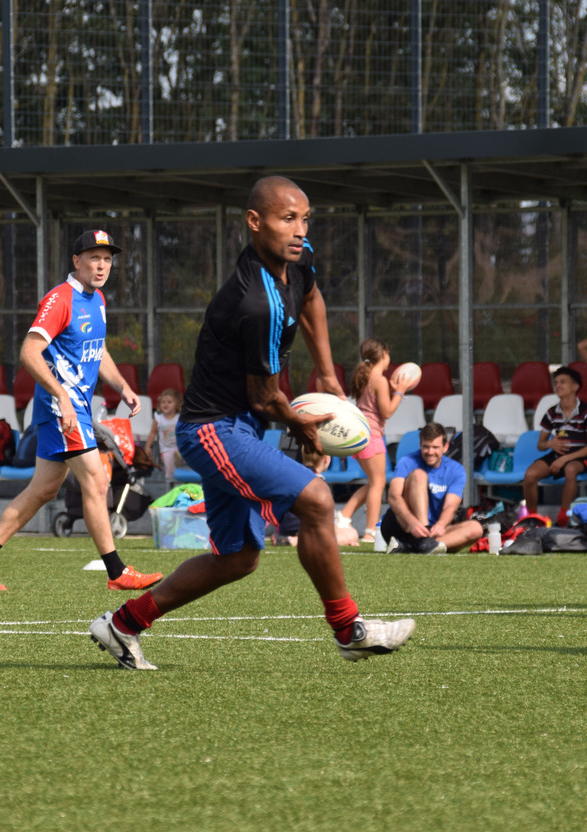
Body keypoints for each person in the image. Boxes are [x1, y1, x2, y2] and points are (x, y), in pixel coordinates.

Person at [89, 176, 415, 670]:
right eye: (288, 219)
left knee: (238, 558)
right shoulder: (254, 302)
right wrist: (305, 428)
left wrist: (326, 371)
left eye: (305, 219)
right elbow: (265, 398)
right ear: (254, 222)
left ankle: (123, 624)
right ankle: (350, 629)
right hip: (212, 430)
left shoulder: (296, 260)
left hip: (237, 427)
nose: (300, 230)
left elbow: (311, 300)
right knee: (317, 499)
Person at [0, 230, 162, 592]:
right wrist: (63, 397)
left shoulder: (97, 299)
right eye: (94, 257)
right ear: (76, 261)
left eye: (107, 259)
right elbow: (29, 353)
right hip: (60, 408)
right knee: (97, 480)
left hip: (75, 407)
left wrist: (124, 386)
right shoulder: (60, 299)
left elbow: (97, 351)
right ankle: (116, 572)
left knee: (42, 490)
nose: (102, 265)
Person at [338, 337, 413, 543]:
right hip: (372, 435)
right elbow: (387, 411)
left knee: (375, 482)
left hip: (362, 433)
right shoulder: (378, 379)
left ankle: (344, 515)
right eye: (388, 354)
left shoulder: (367, 376)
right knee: (378, 482)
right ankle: (371, 531)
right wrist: (400, 391)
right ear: (383, 355)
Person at [382, 422, 484, 555]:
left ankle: (418, 547)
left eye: (435, 447)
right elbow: (393, 496)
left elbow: (451, 507)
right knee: (419, 475)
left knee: (476, 529)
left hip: (432, 532)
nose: (430, 452)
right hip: (402, 525)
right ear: (420, 445)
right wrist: (413, 523)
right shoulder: (407, 461)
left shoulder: (456, 470)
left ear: (445, 447)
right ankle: (423, 541)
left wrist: (441, 525)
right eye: (426, 447)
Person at [523, 366, 587, 527]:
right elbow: (541, 445)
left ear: (575, 387)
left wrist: (565, 458)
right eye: (556, 382)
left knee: (570, 469)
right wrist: (551, 443)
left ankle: (563, 517)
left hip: (580, 457)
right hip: (557, 456)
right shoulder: (551, 412)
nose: (558, 385)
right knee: (530, 475)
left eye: (563, 382)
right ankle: (534, 519)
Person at [145, 387, 185, 479]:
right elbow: (152, 433)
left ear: (177, 404)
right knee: (169, 467)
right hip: (166, 449)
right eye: (163, 402)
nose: (165, 404)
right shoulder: (159, 419)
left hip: (178, 446)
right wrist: (147, 446)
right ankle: (170, 482)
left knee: (179, 454)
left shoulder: (179, 418)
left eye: (169, 402)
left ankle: (179, 459)